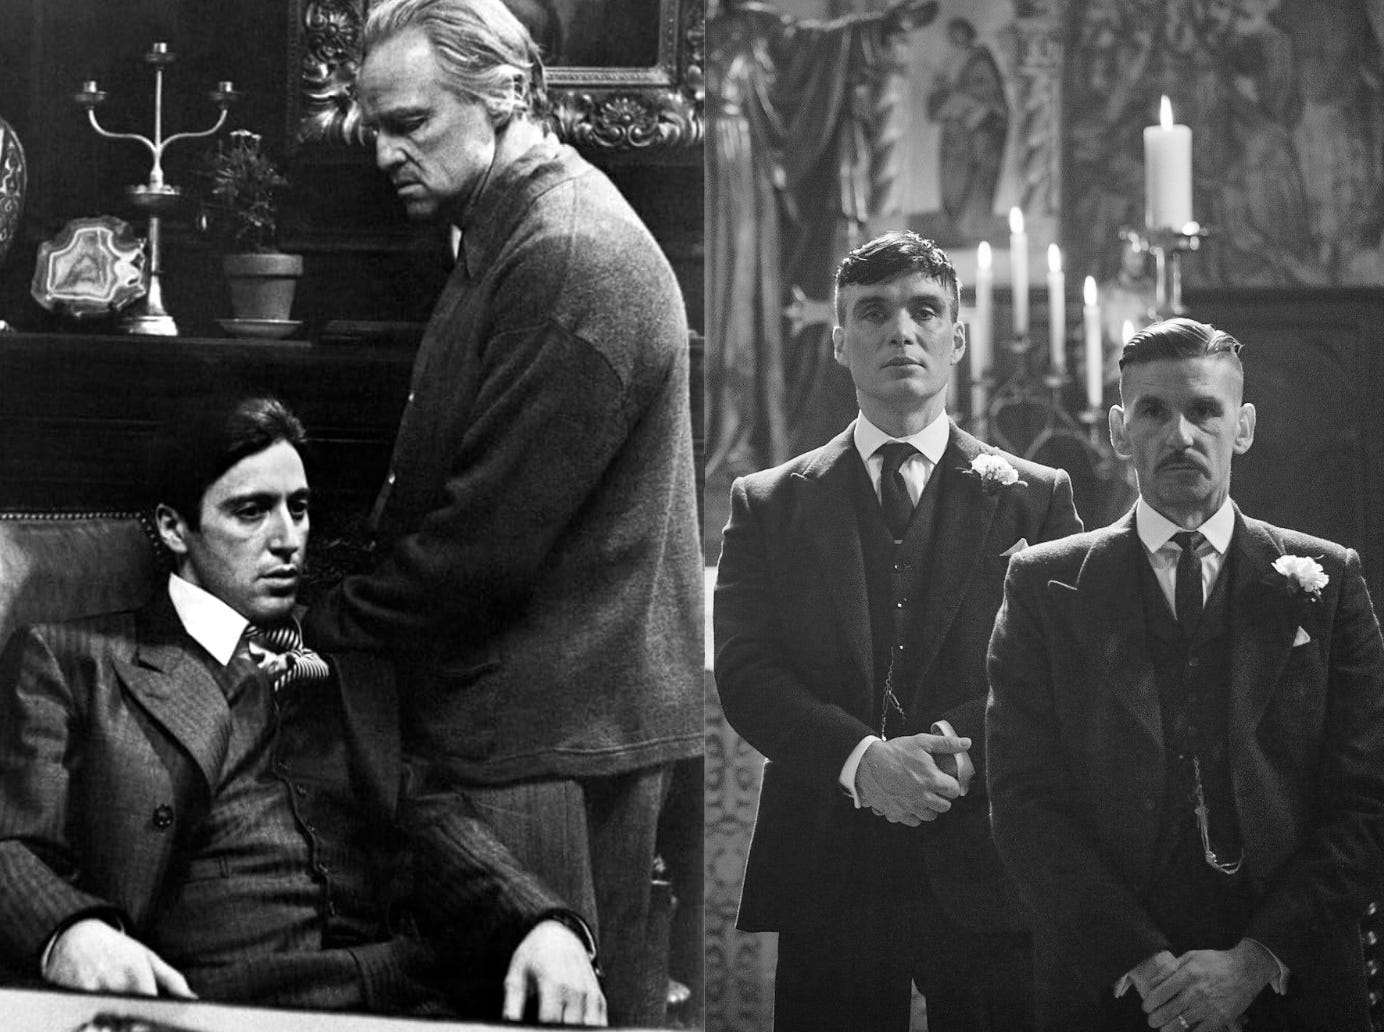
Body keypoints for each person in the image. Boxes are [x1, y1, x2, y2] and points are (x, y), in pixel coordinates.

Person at [299, 0, 703, 1023]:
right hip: (529, 717)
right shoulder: (508, 229)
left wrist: (322, 622)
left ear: (508, 94)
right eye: (373, 128)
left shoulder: (564, 251)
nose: (384, 153)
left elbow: (480, 551)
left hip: (548, 735)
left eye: (409, 123)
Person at [0, 395, 605, 1026]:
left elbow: (431, 818)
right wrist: (70, 932)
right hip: (212, 1005)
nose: (288, 539)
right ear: (175, 528)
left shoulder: (345, 661)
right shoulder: (74, 659)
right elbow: (11, 844)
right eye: (251, 512)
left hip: (400, 998)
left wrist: (544, 923)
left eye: (299, 508)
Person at [713, 230, 1083, 1032]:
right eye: (874, 313)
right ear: (839, 341)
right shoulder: (769, 502)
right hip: (828, 860)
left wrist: (949, 748)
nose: (901, 332)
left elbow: (1060, 670)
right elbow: (745, 670)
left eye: (924, 311)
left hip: (988, 857)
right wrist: (863, 761)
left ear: (958, 338)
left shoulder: (1036, 496)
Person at [986, 317, 1384, 1030]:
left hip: (1295, 981)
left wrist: (1255, 962)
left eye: (1204, 410)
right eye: (1153, 412)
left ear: (1243, 427)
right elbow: (1023, 800)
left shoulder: (1330, 579)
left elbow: (1368, 798)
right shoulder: (1045, 587)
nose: (1180, 435)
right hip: (1112, 988)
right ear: (1119, 431)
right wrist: (1142, 966)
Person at [925, 17, 1008, 239]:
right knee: (952, 178)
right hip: (956, 135)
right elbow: (942, 95)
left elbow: (988, 92)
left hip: (978, 132)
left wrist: (963, 98)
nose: (954, 39)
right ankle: (952, 222)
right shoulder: (953, 60)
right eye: (951, 35)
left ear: (966, 34)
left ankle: (972, 224)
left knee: (975, 178)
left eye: (957, 34)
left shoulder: (980, 60)